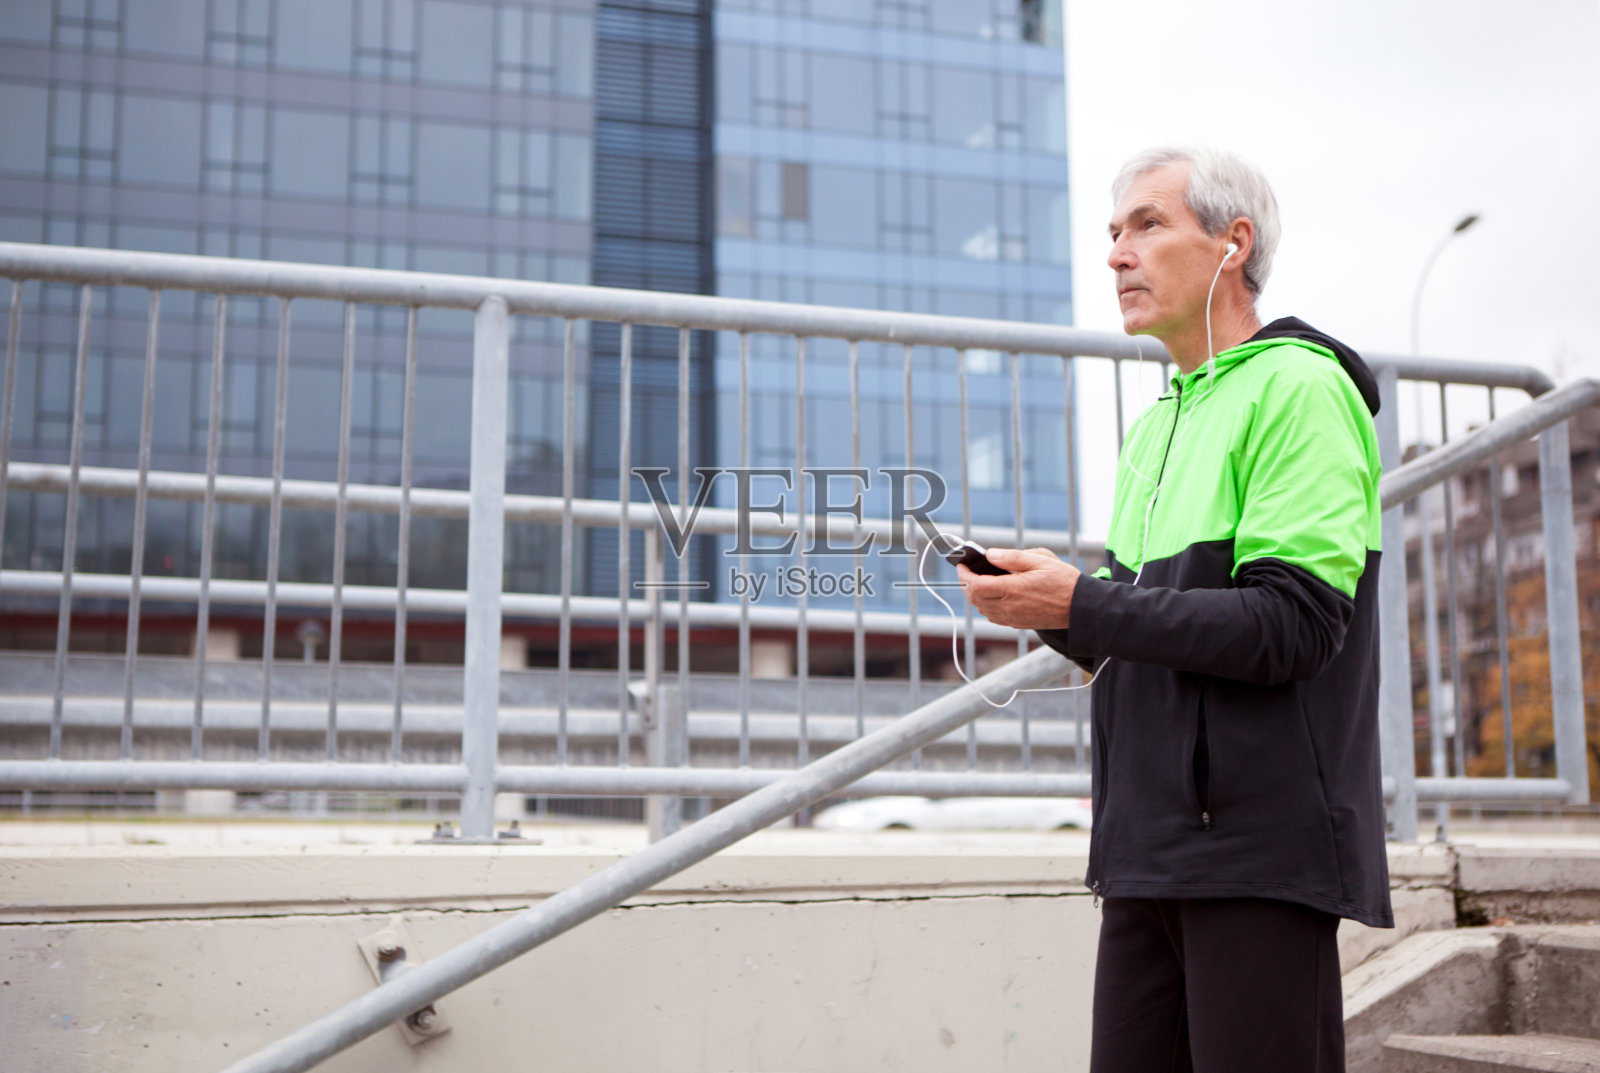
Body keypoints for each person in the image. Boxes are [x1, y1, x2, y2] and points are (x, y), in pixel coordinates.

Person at [958, 146, 1392, 1073]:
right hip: (1145, 844)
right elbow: (1149, 636)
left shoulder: (1299, 389)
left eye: (1147, 225)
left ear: (1233, 244)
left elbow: (1295, 626)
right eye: (1113, 233)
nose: (1117, 254)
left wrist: (1088, 599)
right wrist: (1052, 607)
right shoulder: (1159, 422)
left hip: (1255, 848)